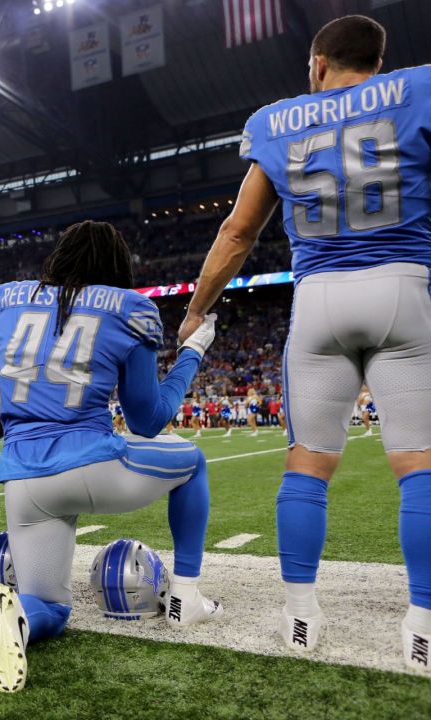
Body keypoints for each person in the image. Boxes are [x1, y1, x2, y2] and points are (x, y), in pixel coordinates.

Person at [178, 15, 431, 671]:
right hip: (404, 286)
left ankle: (300, 616)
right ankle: (423, 628)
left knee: (307, 467)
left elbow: (237, 233)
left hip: (319, 298)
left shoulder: (280, 120)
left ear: (319, 63)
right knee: (420, 467)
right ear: (377, 59)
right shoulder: (417, 89)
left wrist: (197, 309)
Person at [0, 221, 223, 693]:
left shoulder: (8, 301)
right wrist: (192, 353)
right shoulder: (130, 308)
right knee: (192, 463)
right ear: (118, 266)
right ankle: (186, 597)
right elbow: (147, 421)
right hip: (92, 465)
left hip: (23, 482)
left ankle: (20, 619)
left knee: (50, 607)